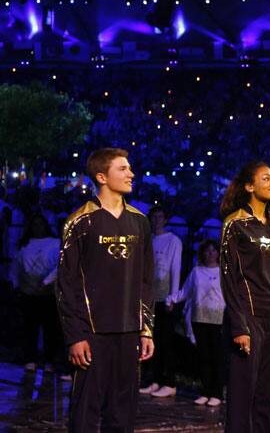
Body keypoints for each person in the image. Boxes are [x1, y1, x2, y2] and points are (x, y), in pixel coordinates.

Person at [56, 147, 155, 432]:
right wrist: (75, 335)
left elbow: (147, 282)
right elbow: (66, 284)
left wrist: (146, 329)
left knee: (123, 414)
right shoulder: (80, 221)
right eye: (123, 169)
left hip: (129, 332)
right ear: (101, 176)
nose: (131, 174)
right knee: (85, 412)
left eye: (130, 168)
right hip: (92, 334)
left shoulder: (140, 221)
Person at [219, 161, 270, 433]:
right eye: (266, 178)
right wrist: (240, 326)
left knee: (269, 395)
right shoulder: (235, 224)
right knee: (242, 397)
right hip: (247, 319)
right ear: (250, 186)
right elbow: (229, 279)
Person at [167, 239, 225, 407]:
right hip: (199, 319)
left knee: (217, 358)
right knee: (203, 357)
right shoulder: (197, 272)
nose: (211, 253)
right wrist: (172, 300)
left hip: (218, 320)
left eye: (214, 250)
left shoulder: (223, 273)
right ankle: (206, 391)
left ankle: (217, 393)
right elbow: (185, 291)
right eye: (207, 250)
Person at [140, 205, 183, 398]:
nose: (157, 220)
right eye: (154, 217)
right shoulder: (147, 240)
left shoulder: (173, 241)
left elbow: (176, 269)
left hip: (165, 298)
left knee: (166, 342)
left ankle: (169, 381)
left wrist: (172, 297)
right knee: (151, 340)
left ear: (165, 220)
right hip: (148, 298)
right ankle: (155, 379)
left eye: (160, 217)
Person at [11, 214, 62, 372]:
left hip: (48, 293)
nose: (37, 227)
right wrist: (15, 284)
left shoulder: (55, 243)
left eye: (40, 224)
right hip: (28, 291)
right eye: (34, 224)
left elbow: (61, 265)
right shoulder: (24, 245)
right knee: (30, 327)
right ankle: (30, 358)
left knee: (50, 328)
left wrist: (47, 282)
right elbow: (16, 266)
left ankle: (49, 360)